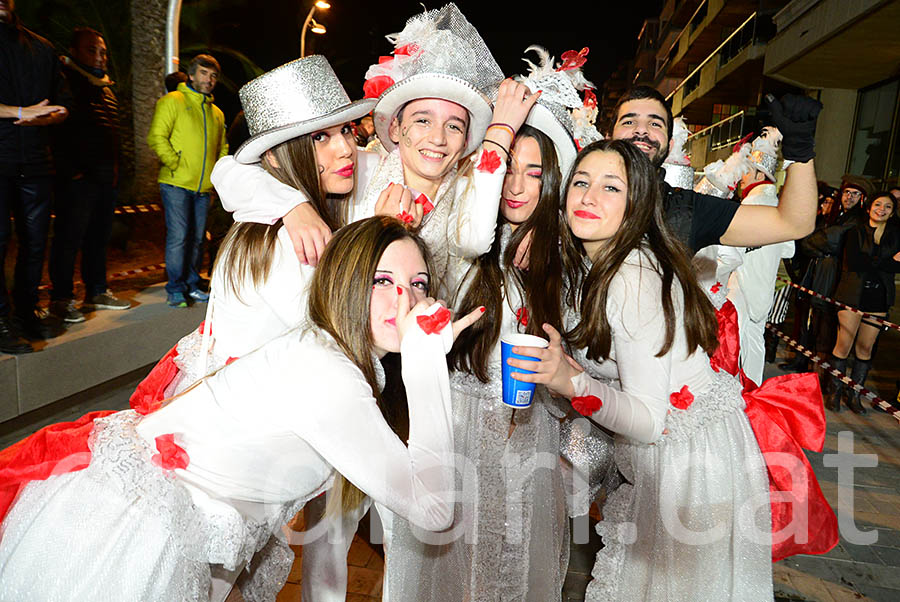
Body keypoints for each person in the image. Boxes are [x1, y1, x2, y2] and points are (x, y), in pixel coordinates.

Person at [0, 216, 485, 601]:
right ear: (342, 281)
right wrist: (425, 364)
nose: (406, 298)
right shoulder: (327, 373)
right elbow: (434, 511)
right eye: (382, 279)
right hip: (125, 535)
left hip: (175, 535)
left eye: (420, 283)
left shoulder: (335, 356)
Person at [383, 46, 603, 601]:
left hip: (531, 450)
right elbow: (468, 238)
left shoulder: (570, 267)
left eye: (535, 172)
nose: (515, 184)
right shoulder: (454, 239)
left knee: (509, 578)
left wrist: (564, 388)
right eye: (505, 165)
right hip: (454, 438)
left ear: (554, 181)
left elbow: (591, 378)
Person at [515, 139, 775, 600]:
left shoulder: (631, 278)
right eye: (581, 182)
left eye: (611, 187)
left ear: (637, 204)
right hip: (684, 456)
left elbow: (649, 422)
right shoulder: (606, 261)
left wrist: (569, 382)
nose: (589, 197)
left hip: (689, 465)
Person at [609, 85, 821, 255]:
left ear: (670, 145)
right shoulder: (578, 194)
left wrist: (799, 152)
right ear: (608, 137)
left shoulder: (688, 210)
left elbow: (794, 224)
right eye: (629, 121)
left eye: (655, 124)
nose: (642, 130)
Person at [48, 27, 130, 324]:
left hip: (106, 179)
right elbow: (57, 132)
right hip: (78, 181)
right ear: (74, 51)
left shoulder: (105, 87)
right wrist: (73, 172)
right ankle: (61, 299)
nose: (100, 56)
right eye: (91, 50)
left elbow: (111, 135)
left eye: (103, 51)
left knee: (98, 238)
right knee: (69, 240)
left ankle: (97, 291)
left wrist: (116, 173)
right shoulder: (65, 81)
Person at [0, 0, 70, 351]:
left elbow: (62, 103)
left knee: (35, 241)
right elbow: (24, 110)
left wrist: (52, 115)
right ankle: (0, 320)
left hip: (37, 160)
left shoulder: (42, 48)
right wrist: (21, 112)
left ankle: (27, 311)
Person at [148, 53, 228, 307]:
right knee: (180, 236)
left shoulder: (217, 113)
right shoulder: (173, 101)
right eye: (204, 74)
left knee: (196, 239)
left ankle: (192, 284)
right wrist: (175, 163)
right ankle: (175, 288)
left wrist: (216, 173)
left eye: (213, 76)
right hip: (176, 183)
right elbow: (156, 137)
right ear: (191, 75)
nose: (209, 80)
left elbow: (223, 147)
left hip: (204, 187)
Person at [726, 128, 795, 385]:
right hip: (762, 285)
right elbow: (788, 249)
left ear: (758, 173)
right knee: (754, 339)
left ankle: (743, 392)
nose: (741, 176)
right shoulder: (777, 202)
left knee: (739, 340)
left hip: (743, 282)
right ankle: (752, 390)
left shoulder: (753, 203)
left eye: (745, 170)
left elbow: (733, 247)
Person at [824, 191, 900, 414]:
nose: (882, 209)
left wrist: (880, 262)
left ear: (892, 212)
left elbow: (897, 267)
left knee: (865, 349)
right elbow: (856, 262)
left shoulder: (896, 235)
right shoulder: (855, 232)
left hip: (878, 299)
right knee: (843, 345)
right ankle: (834, 392)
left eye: (888, 207)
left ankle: (854, 394)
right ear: (869, 207)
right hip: (851, 295)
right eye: (878, 204)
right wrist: (888, 261)